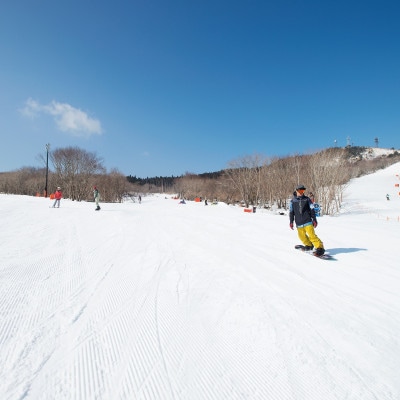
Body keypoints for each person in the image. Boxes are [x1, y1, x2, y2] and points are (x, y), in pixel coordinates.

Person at [289, 184, 325, 256]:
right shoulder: (292, 201)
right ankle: (309, 245)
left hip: (307, 221)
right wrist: (291, 222)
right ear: (296, 191)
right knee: (301, 236)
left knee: (312, 235)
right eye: (300, 190)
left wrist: (314, 219)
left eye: (303, 190)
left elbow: (312, 210)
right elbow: (291, 212)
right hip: (299, 222)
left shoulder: (307, 199)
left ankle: (320, 248)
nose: (301, 192)